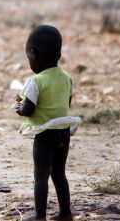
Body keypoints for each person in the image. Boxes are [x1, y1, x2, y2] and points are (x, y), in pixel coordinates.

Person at [14, 25, 81, 221]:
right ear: (59, 54)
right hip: (64, 131)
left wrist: (19, 109)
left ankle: (39, 215)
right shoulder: (66, 78)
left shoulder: (36, 81)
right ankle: (65, 213)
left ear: (33, 54)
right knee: (59, 174)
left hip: (46, 134)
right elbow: (66, 103)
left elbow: (28, 110)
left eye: (28, 57)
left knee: (41, 176)